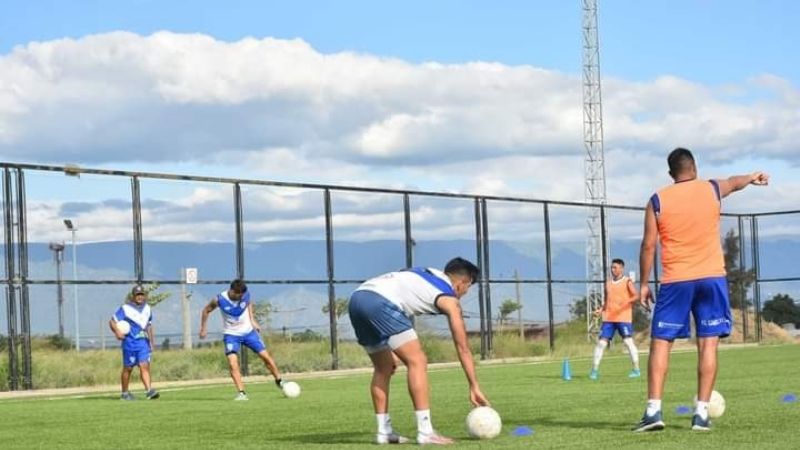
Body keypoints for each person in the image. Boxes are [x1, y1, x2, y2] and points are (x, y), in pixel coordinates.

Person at [634, 148, 768, 432]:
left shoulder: (657, 200)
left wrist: (644, 284)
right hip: (711, 278)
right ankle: (701, 415)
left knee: (661, 342)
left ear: (671, 174)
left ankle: (654, 411)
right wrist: (752, 176)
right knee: (708, 342)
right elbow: (734, 181)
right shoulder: (711, 188)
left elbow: (648, 245)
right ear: (694, 167)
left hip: (676, 280)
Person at [348, 257, 490, 445]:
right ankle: (425, 432)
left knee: (384, 367)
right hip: (380, 303)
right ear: (463, 282)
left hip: (357, 299)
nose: (465, 292)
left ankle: (384, 432)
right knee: (418, 361)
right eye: (468, 287)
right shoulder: (448, 298)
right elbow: (462, 347)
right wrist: (474, 386)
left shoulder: (424, 272)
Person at [199, 279, 285, 401]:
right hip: (231, 335)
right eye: (238, 295)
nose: (241, 298)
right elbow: (206, 310)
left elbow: (249, 302)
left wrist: (252, 320)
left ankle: (279, 381)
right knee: (232, 363)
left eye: (242, 295)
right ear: (232, 291)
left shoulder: (245, 295)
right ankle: (242, 393)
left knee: (266, 357)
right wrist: (203, 328)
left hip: (249, 332)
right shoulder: (219, 300)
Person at [589, 258, 640, 380]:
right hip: (609, 318)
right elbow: (608, 301)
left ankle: (636, 369)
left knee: (628, 342)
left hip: (623, 317)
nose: (613, 270)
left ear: (622, 268)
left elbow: (636, 295)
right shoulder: (608, 283)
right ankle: (594, 371)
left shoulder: (627, 281)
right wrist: (600, 310)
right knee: (601, 343)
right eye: (612, 267)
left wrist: (625, 302)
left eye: (615, 267)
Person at [110, 284, 159, 400]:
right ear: (133, 296)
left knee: (144, 365)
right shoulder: (125, 308)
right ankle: (125, 393)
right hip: (129, 343)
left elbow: (149, 326)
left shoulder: (148, 309)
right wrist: (117, 332)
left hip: (143, 343)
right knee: (128, 368)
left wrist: (151, 342)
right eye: (138, 295)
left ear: (145, 296)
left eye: (142, 294)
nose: (140, 297)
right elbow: (112, 322)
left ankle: (149, 391)